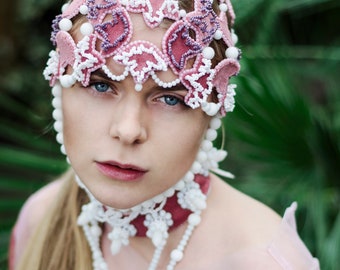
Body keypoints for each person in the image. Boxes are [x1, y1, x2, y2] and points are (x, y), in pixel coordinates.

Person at [9, 0, 320, 269]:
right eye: (101, 84)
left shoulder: (264, 263)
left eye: (172, 98)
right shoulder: (39, 222)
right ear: (60, 83)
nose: (129, 130)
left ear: (210, 111)